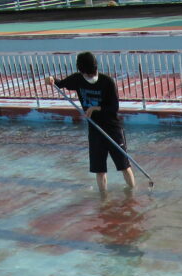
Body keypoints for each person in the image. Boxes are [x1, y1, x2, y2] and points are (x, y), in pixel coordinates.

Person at [46, 52, 136, 194]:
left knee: (124, 166)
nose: (89, 76)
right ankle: (104, 200)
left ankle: (132, 194)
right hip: (95, 130)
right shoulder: (77, 79)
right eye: (86, 74)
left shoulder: (107, 82)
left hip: (113, 129)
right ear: (81, 71)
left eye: (91, 73)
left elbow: (114, 107)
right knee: (99, 170)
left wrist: (95, 108)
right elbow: (60, 83)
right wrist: (51, 79)